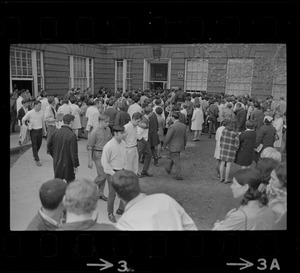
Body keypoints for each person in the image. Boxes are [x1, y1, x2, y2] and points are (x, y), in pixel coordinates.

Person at [112, 170, 197, 230]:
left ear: (118, 195)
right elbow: (189, 226)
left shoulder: (124, 223)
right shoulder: (165, 199)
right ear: (139, 187)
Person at [101, 125, 127, 223]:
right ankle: (110, 213)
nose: (124, 134)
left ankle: (121, 209)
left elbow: (124, 158)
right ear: (115, 134)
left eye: (124, 132)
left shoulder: (123, 143)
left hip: (122, 170)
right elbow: (105, 163)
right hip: (112, 172)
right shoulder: (109, 146)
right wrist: (113, 173)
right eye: (122, 133)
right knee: (112, 194)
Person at [47, 114, 80, 183]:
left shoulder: (56, 132)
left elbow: (49, 145)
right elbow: (74, 153)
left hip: (57, 161)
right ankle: (68, 193)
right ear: (71, 122)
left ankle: (58, 193)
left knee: (58, 181)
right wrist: (75, 165)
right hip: (68, 163)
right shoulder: (72, 135)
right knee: (70, 181)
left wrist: (54, 155)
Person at [87, 113, 112, 201]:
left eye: (108, 121)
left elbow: (110, 142)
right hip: (98, 154)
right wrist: (90, 160)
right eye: (106, 122)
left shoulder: (108, 129)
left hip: (106, 154)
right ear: (100, 121)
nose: (108, 123)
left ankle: (100, 193)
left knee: (104, 174)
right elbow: (90, 146)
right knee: (103, 175)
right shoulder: (95, 131)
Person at [164, 112, 187, 180]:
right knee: (175, 157)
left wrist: (164, 145)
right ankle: (169, 168)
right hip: (180, 144)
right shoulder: (183, 126)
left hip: (174, 145)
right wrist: (184, 144)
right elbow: (185, 136)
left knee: (176, 159)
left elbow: (168, 137)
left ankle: (179, 175)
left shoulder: (172, 126)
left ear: (173, 118)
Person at [22, 100, 45, 166]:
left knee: (39, 144)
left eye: (41, 105)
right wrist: (27, 125)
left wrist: (44, 131)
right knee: (34, 145)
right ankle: (37, 159)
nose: (40, 106)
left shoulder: (41, 112)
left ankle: (35, 154)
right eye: (39, 105)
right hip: (33, 131)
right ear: (35, 105)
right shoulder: (30, 113)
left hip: (40, 130)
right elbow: (23, 119)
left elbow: (43, 122)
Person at [219, 119, 240, 183]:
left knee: (222, 163)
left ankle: (221, 178)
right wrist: (236, 149)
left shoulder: (224, 130)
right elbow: (237, 143)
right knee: (228, 164)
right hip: (231, 150)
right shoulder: (235, 133)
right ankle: (226, 179)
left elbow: (221, 139)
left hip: (223, 148)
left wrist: (221, 146)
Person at [267, 162, 287, 230]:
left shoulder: (279, 207)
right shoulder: (278, 193)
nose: (269, 181)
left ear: (283, 181)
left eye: (273, 179)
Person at [136, 109, 153, 177]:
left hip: (144, 140)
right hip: (142, 140)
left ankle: (144, 171)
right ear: (150, 112)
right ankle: (136, 171)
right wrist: (142, 139)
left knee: (148, 155)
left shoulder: (144, 119)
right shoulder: (144, 120)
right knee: (137, 156)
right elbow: (139, 131)